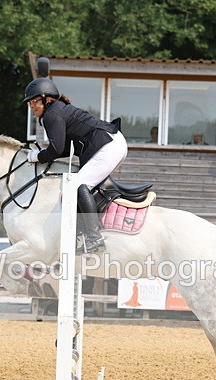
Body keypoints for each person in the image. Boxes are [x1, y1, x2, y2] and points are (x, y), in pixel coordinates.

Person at [23, 78, 126, 253]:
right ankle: (83, 234)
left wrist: (36, 156)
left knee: (75, 188)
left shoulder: (51, 115)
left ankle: (95, 239)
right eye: (29, 103)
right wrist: (41, 155)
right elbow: (63, 149)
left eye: (34, 102)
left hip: (108, 145)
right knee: (81, 187)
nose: (31, 106)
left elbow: (55, 151)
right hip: (112, 143)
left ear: (46, 99)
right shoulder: (56, 111)